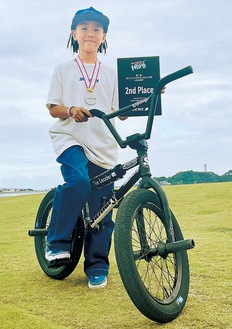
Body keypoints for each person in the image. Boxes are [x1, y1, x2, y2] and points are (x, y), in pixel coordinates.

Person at [45, 7, 119, 289]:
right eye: (84, 27)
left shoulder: (111, 73)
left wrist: (149, 94)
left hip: (104, 144)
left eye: (97, 29)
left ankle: (97, 265)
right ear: (74, 34)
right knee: (78, 182)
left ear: (104, 37)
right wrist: (71, 109)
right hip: (70, 138)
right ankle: (57, 242)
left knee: (103, 207)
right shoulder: (62, 69)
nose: (90, 32)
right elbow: (53, 108)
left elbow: (121, 112)